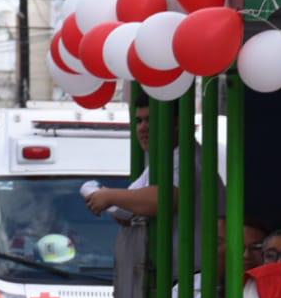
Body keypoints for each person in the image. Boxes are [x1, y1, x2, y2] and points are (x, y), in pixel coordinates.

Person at [86, 91, 223, 272]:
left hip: (187, 281)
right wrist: (110, 199)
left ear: (176, 123)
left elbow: (164, 199)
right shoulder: (163, 158)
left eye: (150, 120)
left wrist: (110, 196)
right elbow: (127, 211)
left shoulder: (185, 158)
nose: (143, 128)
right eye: (139, 121)